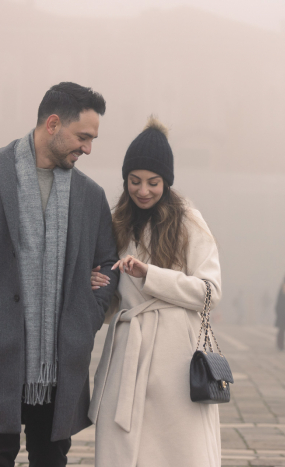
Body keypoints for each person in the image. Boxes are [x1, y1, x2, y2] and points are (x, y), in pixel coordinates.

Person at [0, 82, 119, 467]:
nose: (88, 148)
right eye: (83, 136)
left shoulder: (91, 195)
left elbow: (108, 265)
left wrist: (88, 316)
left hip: (61, 361)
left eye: (93, 139)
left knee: (51, 459)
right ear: (52, 124)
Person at [88, 116, 223, 467]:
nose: (143, 190)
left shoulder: (188, 220)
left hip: (174, 359)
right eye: (134, 181)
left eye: (153, 182)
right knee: (122, 448)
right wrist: (97, 287)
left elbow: (210, 293)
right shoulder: (116, 223)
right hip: (126, 351)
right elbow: (113, 303)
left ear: (167, 181)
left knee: (175, 451)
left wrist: (151, 275)